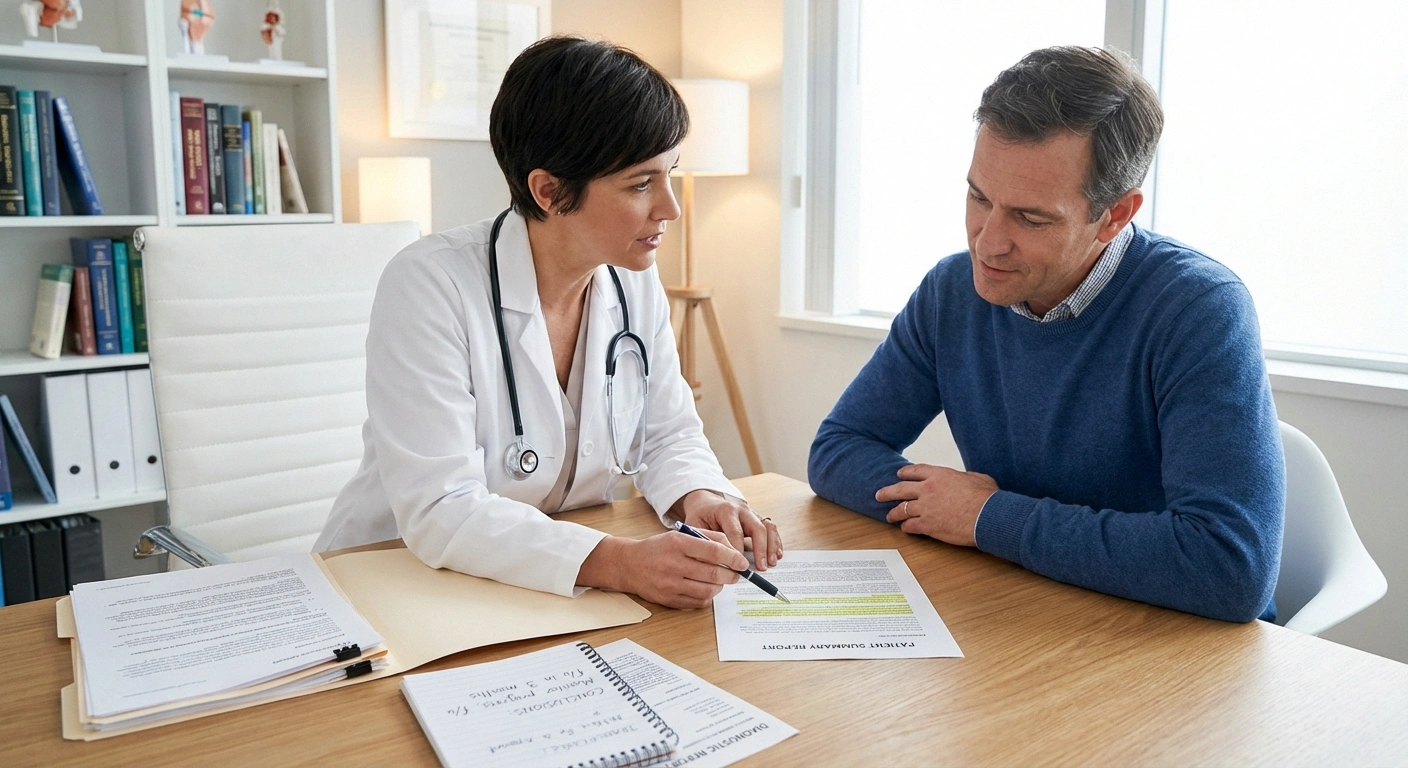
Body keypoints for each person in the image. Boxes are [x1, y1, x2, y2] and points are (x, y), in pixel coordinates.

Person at [808, 46, 1284, 623]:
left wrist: (988, 518)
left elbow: (1229, 569)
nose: (987, 243)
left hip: (1175, 645)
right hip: (1029, 607)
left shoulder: (1199, 310)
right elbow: (837, 450)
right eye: (979, 197)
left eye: (1030, 218)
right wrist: (951, 509)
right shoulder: (953, 291)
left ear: (1114, 216)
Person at [317, 36, 782, 609]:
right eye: (641, 184)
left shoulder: (631, 280)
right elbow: (442, 509)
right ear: (550, 191)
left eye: (670, 174)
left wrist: (701, 495)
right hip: (394, 583)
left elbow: (667, 432)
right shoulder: (431, 285)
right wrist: (619, 562)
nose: (671, 208)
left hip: (535, 591)